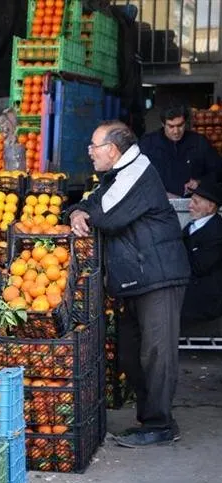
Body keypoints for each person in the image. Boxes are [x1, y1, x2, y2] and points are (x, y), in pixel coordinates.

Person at [69, 121, 190, 448]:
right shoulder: (117, 175)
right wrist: (78, 210)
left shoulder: (137, 169)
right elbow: (92, 202)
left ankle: (160, 424)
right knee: (129, 355)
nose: (90, 152)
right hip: (137, 277)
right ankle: (150, 417)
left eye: (94, 146)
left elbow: (107, 214)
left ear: (113, 149)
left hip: (158, 276)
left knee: (156, 353)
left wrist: (85, 212)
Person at [138, 104, 222, 198]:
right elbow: (136, 177)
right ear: (163, 124)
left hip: (192, 204)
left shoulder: (199, 142)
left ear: (185, 122)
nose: (176, 131)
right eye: (171, 126)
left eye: (180, 125)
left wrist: (200, 182)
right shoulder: (148, 144)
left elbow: (218, 172)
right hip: (158, 203)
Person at [180, 177, 222, 327]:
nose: (190, 206)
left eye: (196, 202)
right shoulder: (193, 226)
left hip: (205, 299)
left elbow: (198, 266)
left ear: (210, 207)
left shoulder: (217, 231)